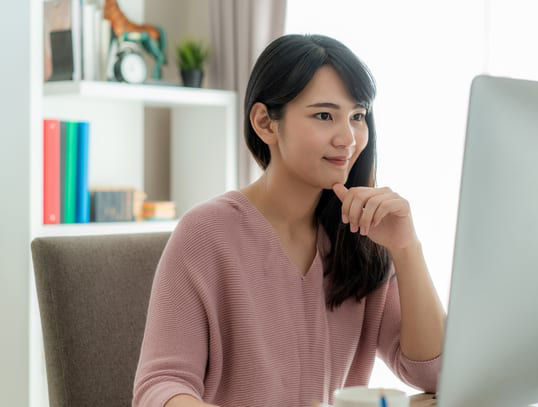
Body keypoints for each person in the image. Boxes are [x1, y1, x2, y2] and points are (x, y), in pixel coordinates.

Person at [132, 34, 446, 407]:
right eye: (324, 115)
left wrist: (406, 248)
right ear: (266, 123)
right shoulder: (205, 234)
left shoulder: (359, 239)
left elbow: (437, 374)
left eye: (358, 116)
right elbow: (160, 388)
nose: (348, 138)